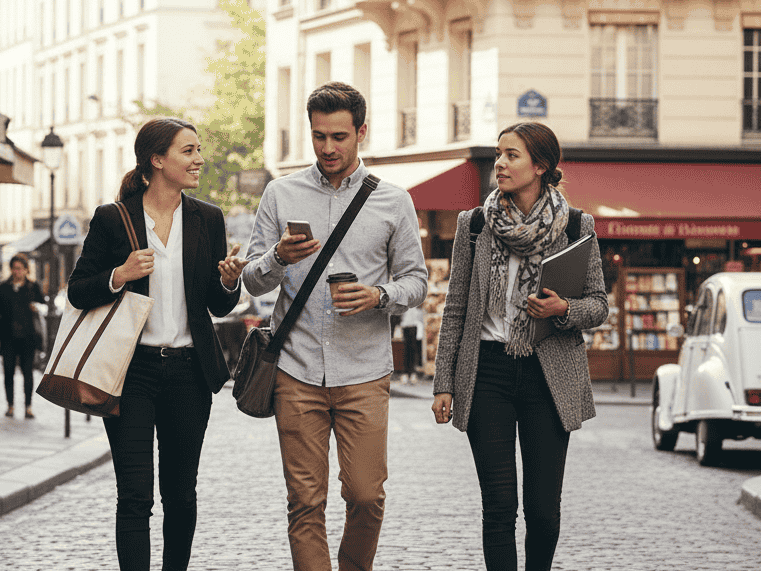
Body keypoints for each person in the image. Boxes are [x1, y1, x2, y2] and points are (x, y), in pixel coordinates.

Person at [241, 81, 428, 571]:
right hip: (296, 369)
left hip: (364, 371)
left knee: (366, 495)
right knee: (304, 501)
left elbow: (416, 281)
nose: (327, 147)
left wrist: (379, 296)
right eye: (319, 136)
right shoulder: (281, 193)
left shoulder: (393, 200)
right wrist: (279, 257)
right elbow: (252, 280)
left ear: (361, 133)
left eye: (339, 136)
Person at [67, 117, 246, 571]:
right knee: (134, 496)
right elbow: (78, 290)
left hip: (189, 373)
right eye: (188, 151)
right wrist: (119, 274)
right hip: (131, 374)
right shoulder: (114, 218)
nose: (199, 159)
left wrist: (229, 282)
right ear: (157, 160)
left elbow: (217, 304)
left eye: (198, 149)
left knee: (181, 494)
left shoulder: (207, 218)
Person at [431, 122, 607, 571]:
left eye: (512, 155)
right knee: (498, 506)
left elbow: (599, 304)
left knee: (543, 510)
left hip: (548, 373)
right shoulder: (474, 224)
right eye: (498, 154)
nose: (500, 164)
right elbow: (456, 307)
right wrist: (443, 382)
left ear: (540, 166)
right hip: (487, 370)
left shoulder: (576, 225)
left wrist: (563, 309)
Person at [0, 253, 44, 419]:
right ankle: (10, 405)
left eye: (19, 268)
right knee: (8, 372)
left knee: (28, 372)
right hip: (8, 337)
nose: (16, 271)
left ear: (26, 270)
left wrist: (37, 307)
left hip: (28, 337)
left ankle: (28, 406)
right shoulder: (3, 288)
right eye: (14, 268)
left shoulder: (33, 287)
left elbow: (43, 306)